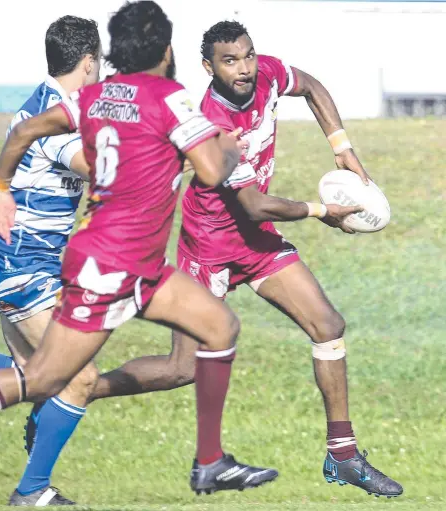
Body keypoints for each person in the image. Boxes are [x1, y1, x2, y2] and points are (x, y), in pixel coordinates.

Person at [0, 1, 279, 501]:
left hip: (114, 263)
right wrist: (225, 144)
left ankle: (210, 462)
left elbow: (36, 134)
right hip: (75, 264)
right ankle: (32, 491)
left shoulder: (91, 98)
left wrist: (1, 185)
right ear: (165, 49)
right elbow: (190, 170)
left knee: (218, 324)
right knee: (63, 380)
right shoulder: (161, 97)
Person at [86, 21, 404, 498]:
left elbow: (312, 87)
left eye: (248, 56)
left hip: (254, 240)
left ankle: (343, 456)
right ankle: (79, 389)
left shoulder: (270, 76)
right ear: (208, 67)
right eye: (230, 61)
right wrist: (322, 212)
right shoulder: (212, 122)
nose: (244, 68)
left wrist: (344, 151)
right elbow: (254, 202)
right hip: (209, 247)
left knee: (328, 326)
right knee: (183, 369)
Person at [0, 15, 102, 506]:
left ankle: (34, 483)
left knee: (30, 372)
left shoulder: (62, 105)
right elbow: (98, 169)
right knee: (78, 376)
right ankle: (31, 492)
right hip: (19, 265)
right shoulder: (53, 119)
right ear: (89, 63)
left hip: (19, 260)